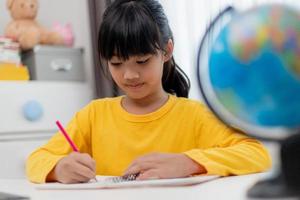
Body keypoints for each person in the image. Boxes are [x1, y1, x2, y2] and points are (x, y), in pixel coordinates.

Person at [26, 0, 271, 184]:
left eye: (141, 61)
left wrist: (189, 163)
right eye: (116, 63)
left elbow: (257, 154)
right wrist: (58, 168)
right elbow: (36, 160)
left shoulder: (194, 116)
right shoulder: (93, 116)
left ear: (166, 51)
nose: (129, 75)